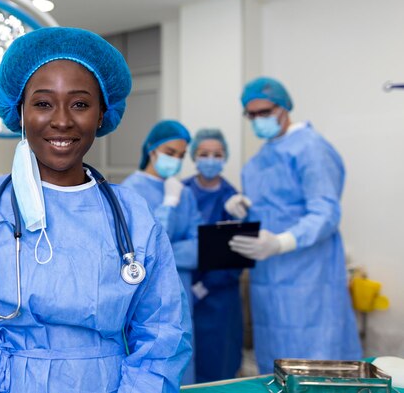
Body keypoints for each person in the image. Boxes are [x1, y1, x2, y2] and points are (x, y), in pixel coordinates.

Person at [0, 27, 192, 393]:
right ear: (20, 112)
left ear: (103, 114)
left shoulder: (134, 218)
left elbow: (162, 338)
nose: (61, 120)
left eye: (80, 104)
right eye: (43, 104)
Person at [226, 77, 362, 374]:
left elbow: (325, 212)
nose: (258, 120)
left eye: (265, 112)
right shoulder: (261, 158)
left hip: (309, 276)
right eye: (252, 115)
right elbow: (272, 211)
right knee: (275, 359)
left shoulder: (310, 149)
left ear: (284, 107)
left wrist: (280, 242)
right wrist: (243, 206)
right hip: (268, 278)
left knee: (315, 359)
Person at [121, 119, 200, 385]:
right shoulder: (130, 190)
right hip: (145, 292)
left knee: (181, 348)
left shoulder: (184, 193)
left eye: (181, 155)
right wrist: (168, 205)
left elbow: (199, 244)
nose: (175, 160)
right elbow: (139, 253)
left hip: (182, 288)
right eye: (169, 152)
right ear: (151, 150)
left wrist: (165, 252)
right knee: (151, 356)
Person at [182, 128, 243, 383]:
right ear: (194, 156)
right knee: (185, 357)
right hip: (183, 283)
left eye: (216, 154)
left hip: (220, 296)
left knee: (220, 361)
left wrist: (205, 286)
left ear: (225, 157)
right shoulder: (182, 192)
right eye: (204, 154)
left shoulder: (232, 198)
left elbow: (237, 252)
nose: (210, 159)